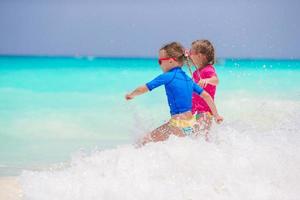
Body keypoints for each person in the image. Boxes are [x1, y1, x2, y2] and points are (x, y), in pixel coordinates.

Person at [125, 42, 223, 146]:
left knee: (144, 141)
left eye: (160, 61)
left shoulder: (168, 76)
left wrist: (131, 94)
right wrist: (216, 115)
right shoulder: (188, 79)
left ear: (171, 61)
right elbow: (207, 95)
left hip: (178, 124)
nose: (159, 65)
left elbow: (145, 88)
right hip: (190, 124)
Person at [189, 40, 219, 136]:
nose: (189, 55)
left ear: (200, 55)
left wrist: (207, 80)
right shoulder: (195, 72)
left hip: (205, 112)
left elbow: (216, 80)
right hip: (195, 111)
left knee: (201, 137)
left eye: (191, 52)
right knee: (195, 137)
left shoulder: (208, 70)